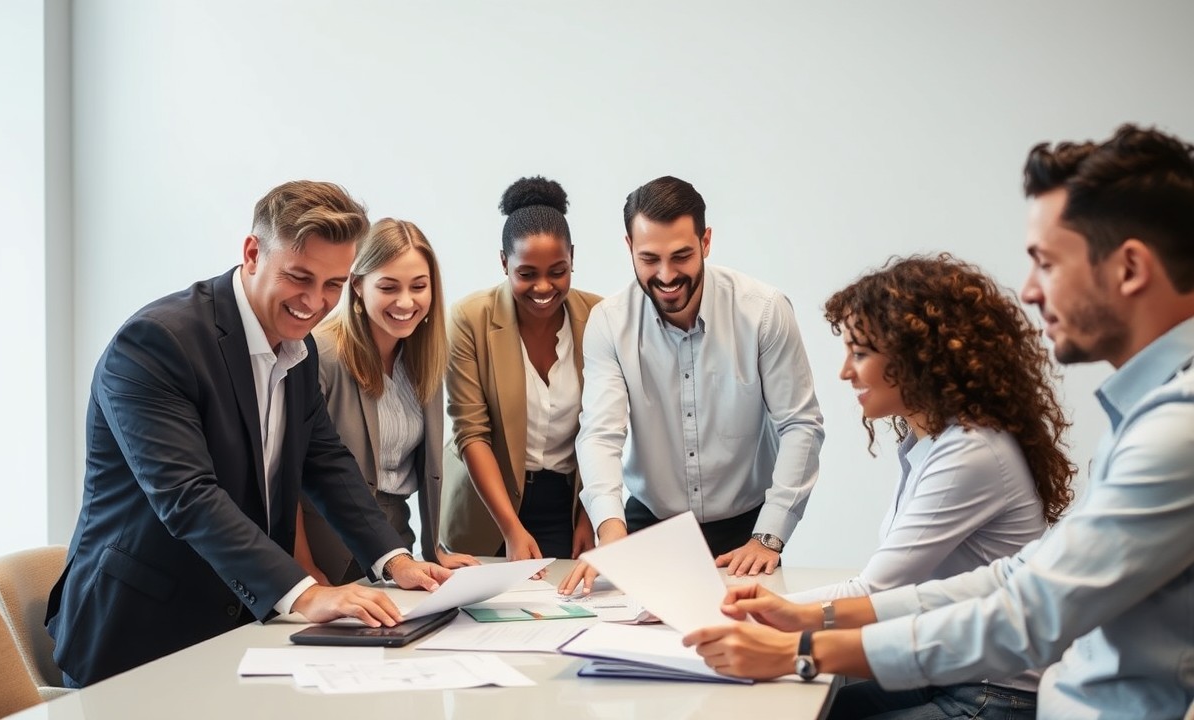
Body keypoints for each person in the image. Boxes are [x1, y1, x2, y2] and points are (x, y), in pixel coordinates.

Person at [683, 124, 1194, 719]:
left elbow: (1027, 614)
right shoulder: (1151, 414)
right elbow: (1011, 578)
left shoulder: (1175, 429)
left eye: (1046, 263)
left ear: (1129, 268)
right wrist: (809, 619)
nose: (1029, 290)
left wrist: (801, 650)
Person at [46, 181, 450, 688]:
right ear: (253, 253)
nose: (315, 302)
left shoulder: (295, 347)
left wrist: (394, 559)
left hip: (237, 627)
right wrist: (304, 593)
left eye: (333, 285)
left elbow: (325, 462)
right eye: (299, 277)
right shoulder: (157, 343)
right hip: (139, 634)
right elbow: (188, 496)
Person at [785, 254, 1076, 718]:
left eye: (859, 353)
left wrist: (748, 613)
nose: (845, 372)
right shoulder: (932, 442)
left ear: (915, 358)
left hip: (996, 694)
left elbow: (874, 591)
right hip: (949, 675)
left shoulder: (971, 451)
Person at [559, 175, 825, 595]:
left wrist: (769, 535)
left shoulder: (764, 312)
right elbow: (600, 434)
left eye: (681, 255)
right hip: (649, 524)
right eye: (649, 259)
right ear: (629, 248)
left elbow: (801, 425)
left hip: (744, 529)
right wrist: (610, 532)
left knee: (744, 648)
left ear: (706, 242)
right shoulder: (609, 322)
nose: (666, 275)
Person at [296, 218, 478, 584]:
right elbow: (289, 476)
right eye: (389, 287)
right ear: (358, 286)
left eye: (419, 286)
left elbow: (425, 469)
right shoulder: (320, 353)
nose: (406, 302)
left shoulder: (425, 357)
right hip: (326, 550)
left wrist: (434, 550)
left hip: (397, 541)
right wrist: (303, 569)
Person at [440, 177, 602, 565]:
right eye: (527, 273)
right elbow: (471, 431)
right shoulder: (469, 318)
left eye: (558, 271)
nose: (543, 287)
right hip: (485, 510)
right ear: (503, 263)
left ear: (573, 258)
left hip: (568, 506)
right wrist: (511, 529)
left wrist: (590, 514)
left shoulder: (599, 317)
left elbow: (605, 427)